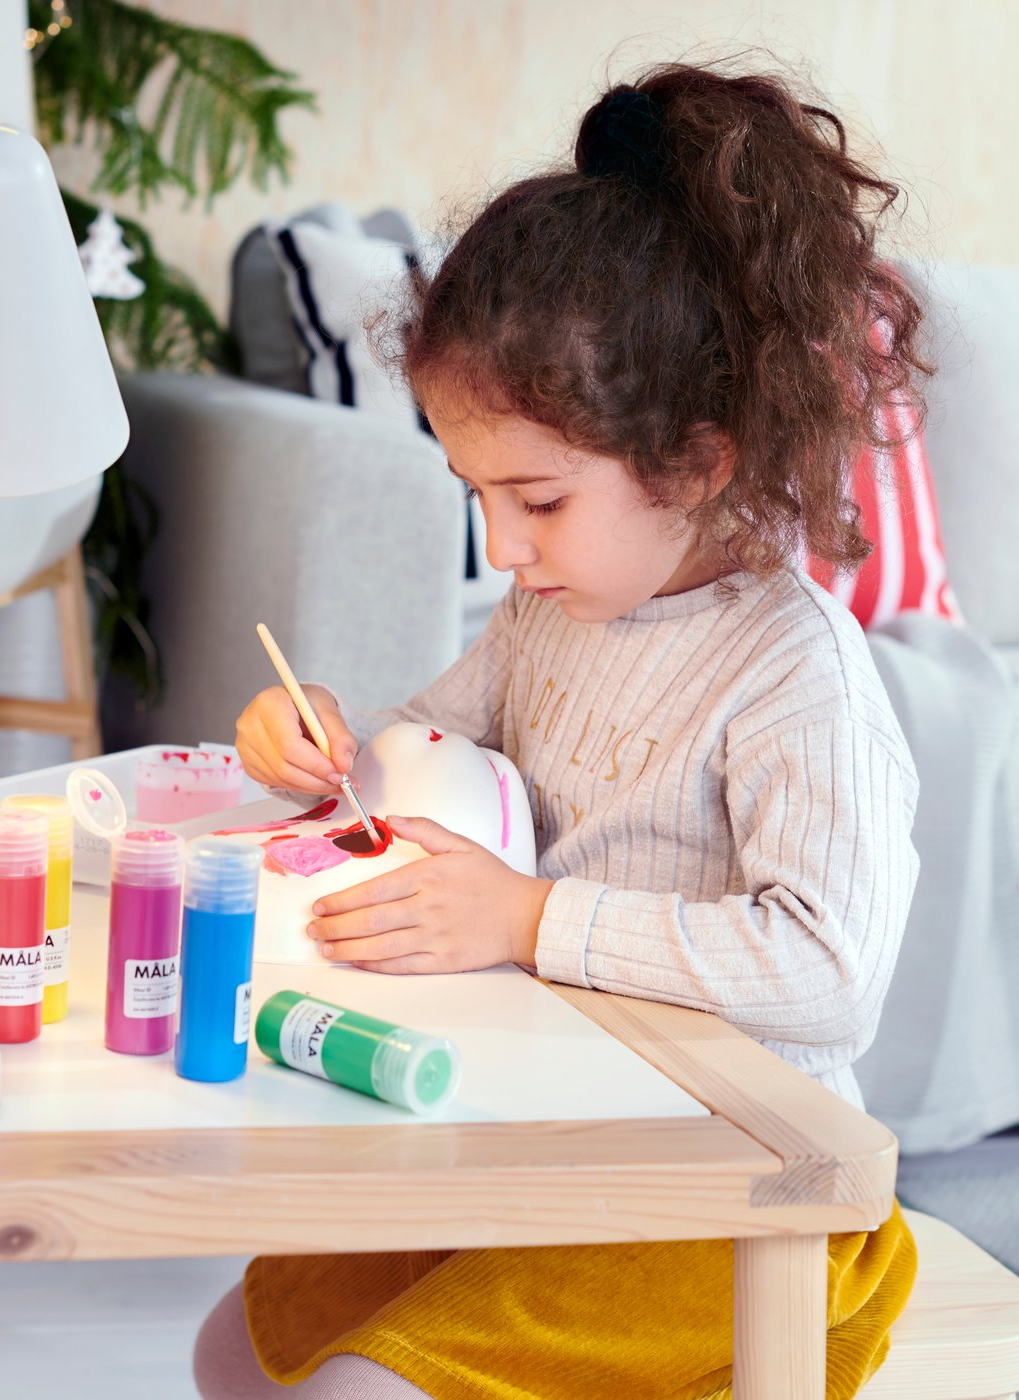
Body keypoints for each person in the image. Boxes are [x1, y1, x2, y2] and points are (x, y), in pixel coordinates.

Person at [196, 60, 923, 1400]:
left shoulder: (792, 672)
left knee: (361, 1386)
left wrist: (531, 920)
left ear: (697, 462)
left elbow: (832, 971)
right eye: (476, 491)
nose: (499, 545)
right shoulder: (554, 613)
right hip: (562, 1133)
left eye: (536, 498)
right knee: (241, 1347)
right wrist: (315, 746)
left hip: (745, 1192)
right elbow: (416, 755)